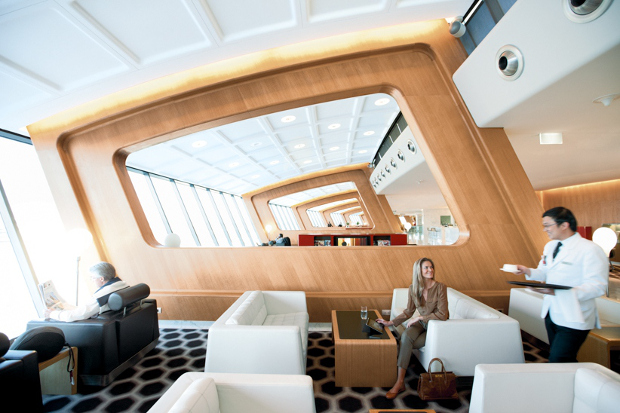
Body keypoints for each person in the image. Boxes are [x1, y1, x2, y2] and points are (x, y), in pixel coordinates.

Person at [514, 207, 608, 363]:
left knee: (559, 358)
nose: (545, 230)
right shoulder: (550, 247)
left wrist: (558, 292)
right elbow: (544, 272)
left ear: (564, 225)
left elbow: (597, 286)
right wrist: (528, 271)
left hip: (575, 315)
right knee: (564, 359)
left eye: (548, 225)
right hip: (552, 312)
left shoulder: (590, 249)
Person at [376, 257, 449, 399]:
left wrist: (420, 317)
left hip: (437, 327)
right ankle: (400, 382)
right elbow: (409, 311)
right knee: (406, 337)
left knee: (408, 344)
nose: (430, 270)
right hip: (422, 324)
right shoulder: (413, 289)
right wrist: (390, 322)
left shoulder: (440, 287)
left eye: (431, 267)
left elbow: (443, 314)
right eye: (426, 268)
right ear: (419, 271)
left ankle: (399, 377)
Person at [45, 262, 129, 322]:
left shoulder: (100, 296)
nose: (92, 280)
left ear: (101, 279)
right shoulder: (123, 285)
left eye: (93, 278)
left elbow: (74, 316)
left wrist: (53, 314)